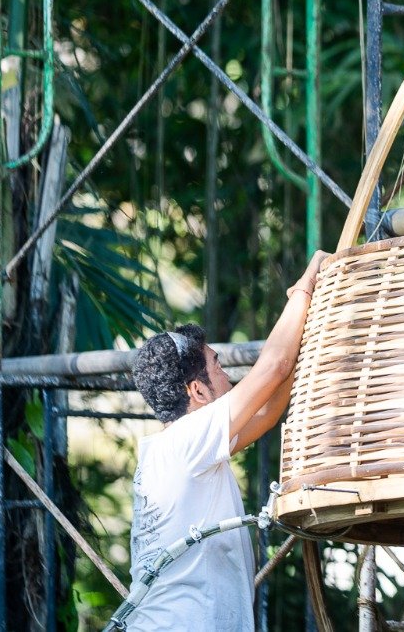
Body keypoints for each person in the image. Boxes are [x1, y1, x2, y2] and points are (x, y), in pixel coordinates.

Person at [125, 251, 326, 630]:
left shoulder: (182, 450)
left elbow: (267, 411)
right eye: (218, 365)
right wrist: (305, 287)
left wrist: (310, 329)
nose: (227, 374)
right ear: (197, 390)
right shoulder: (186, 440)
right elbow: (273, 367)